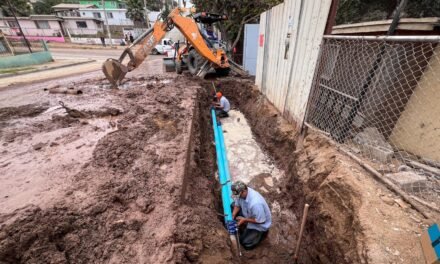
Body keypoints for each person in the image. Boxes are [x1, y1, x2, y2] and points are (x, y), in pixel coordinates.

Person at [231, 181, 272, 250]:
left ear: (244, 191)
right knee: (232, 206)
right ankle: (245, 226)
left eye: (239, 195)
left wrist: (244, 220)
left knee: (245, 243)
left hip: (259, 225)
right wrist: (233, 214)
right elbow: (237, 205)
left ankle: (262, 235)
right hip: (249, 214)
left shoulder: (256, 203)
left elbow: (261, 221)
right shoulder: (241, 194)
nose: (238, 197)